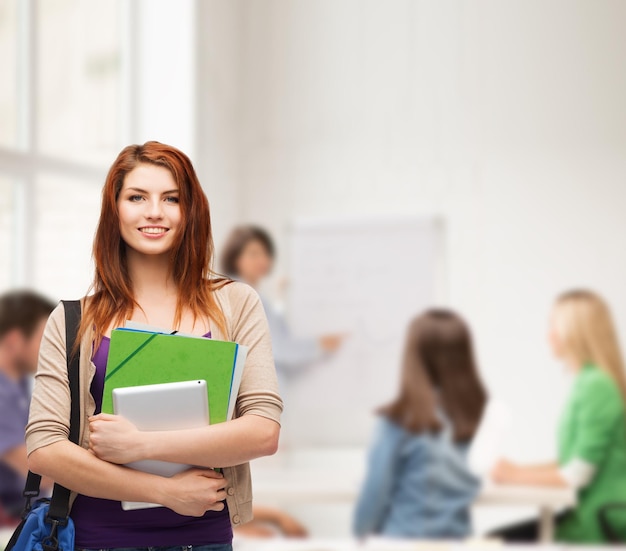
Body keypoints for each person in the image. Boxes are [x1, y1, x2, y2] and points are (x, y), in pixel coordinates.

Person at [26, 142, 283, 551]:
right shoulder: (74, 319)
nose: (154, 212)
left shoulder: (236, 304)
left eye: (171, 198)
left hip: (205, 540)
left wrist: (143, 445)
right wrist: (163, 491)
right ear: (115, 210)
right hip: (97, 541)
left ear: (190, 210)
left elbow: (263, 431)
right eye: (136, 197)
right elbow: (44, 449)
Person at [491, 289, 626, 543]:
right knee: (494, 540)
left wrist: (514, 477)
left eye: (553, 325)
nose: (548, 335)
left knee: (493, 542)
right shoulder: (587, 381)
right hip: (586, 514)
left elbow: (576, 474)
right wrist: (519, 469)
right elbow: (574, 461)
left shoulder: (596, 386)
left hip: (598, 521)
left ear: (575, 333)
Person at [353, 309, 487, 539]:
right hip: (458, 540)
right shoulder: (473, 420)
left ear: (412, 356)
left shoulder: (399, 422)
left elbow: (372, 501)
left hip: (404, 539)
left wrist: (360, 534)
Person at [220, 225, 344, 378]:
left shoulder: (240, 292)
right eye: (254, 254)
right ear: (236, 259)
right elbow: (277, 347)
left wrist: (281, 298)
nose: (262, 260)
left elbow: (272, 329)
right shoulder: (244, 296)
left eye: (265, 253)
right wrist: (320, 344)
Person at [0, 290, 55, 519]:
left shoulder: (20, 385)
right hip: (11, 517)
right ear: (14, 340)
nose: (51, 348)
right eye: (45, 338)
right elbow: (37, 469)